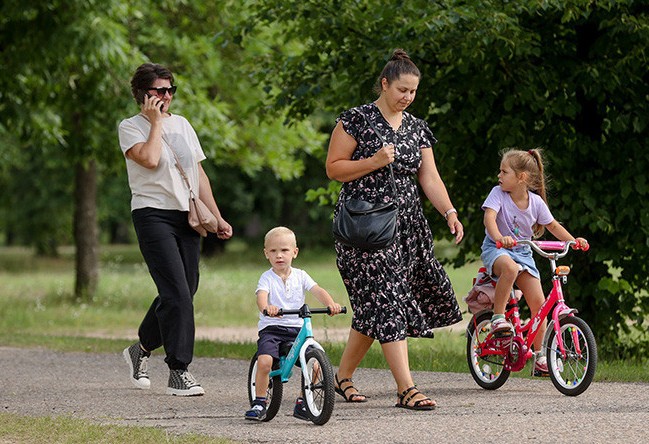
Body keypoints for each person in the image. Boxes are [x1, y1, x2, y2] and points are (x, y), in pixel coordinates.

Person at [325, 49, 464, 411]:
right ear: (384, 84)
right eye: (402, 89)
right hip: (364, 228)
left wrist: (448, 211)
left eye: (413, 91)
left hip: (407, 227)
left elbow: (429, 176)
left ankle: (341, 378)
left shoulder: (417, 127)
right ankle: (406, 388)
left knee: (374, 308)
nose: (407, 97)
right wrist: (372, 162)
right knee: (388, 301)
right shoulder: (356, 120)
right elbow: (334, 168)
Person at [118, 63, 233, 396]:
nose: (166, 96)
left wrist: (218, 215)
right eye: (159, 91)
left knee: (185, 290)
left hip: (187, 215)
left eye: (170, 90)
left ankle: (139, 349)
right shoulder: (130, 127)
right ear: (143, 93)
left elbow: (197, 173)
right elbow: (151, 160)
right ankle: (179, 369)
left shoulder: (182, 124)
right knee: (178, 294)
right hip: (152, 215)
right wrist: (154, 122)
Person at [480, 148, 588, 375]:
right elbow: (489, 218)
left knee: (540, 306)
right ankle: (498, 317)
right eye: (500, 171)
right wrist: (500, 238)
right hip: (497, 249)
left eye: (504, 171)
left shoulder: (536, 202)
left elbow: (553, 226)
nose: (499, 176)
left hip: (525, 254)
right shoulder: (498, 194)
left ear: (522, 178)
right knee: (509, 268)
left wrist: (573, 241)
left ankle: (540, 357)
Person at [245, 227, 342, 421]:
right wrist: (267, 308)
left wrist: (330, 303)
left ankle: (302, 402)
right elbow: (261, 297)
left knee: (315, 365)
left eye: (284, 250)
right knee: (265, 362)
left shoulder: (301, 275)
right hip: (272, 329)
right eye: (273, 251)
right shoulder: (267, 277)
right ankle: (259, 402)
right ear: (266, 254)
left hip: (296, 330)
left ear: (294, 252)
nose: (279, 255)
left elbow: (317, 290)